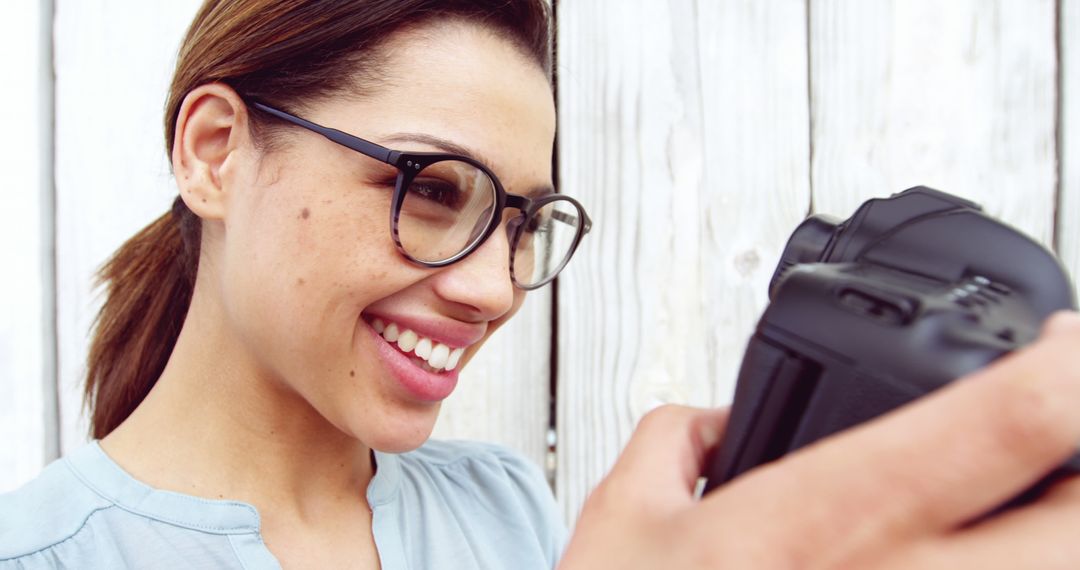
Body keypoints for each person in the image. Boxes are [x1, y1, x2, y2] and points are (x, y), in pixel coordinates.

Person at [3, 1, 1080, 568]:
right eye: (432, 191)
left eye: (519, 222)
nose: (495, 291)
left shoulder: (505, 508)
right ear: (214, 152)